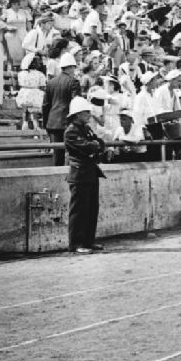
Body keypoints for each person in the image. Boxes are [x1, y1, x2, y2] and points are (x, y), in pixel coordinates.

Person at [63, 96, 106, 254]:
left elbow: (99, 143)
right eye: (86, 112)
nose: (89, 114)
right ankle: (76, 243)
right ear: (77, 114)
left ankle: (88, 240)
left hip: (90, 171)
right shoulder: (71, 131)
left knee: (91, 208)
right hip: (80, 173)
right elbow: (87, 146)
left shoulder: (85, 128)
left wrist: (95, 145)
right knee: (79, 210)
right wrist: (94, 145)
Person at [42, 52, 82, 167]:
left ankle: (57, 175)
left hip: (53, 124)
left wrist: (46, 124)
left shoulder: (51, 82)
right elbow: (76, 104)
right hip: (68, 123)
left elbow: (45, 105)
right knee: (73, 154)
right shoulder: (73, 82)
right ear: (71, 67)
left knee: (57, 155)